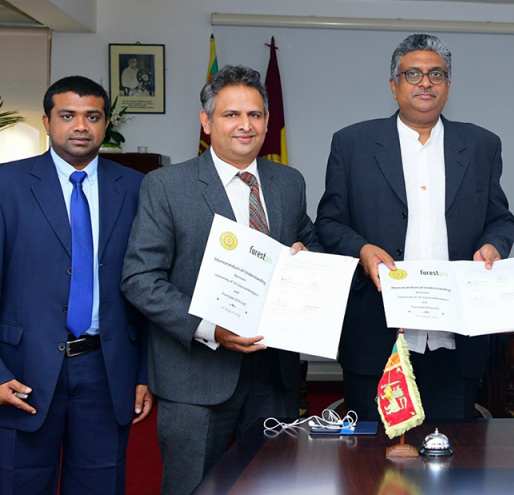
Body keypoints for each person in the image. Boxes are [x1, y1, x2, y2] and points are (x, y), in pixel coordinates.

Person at [121, 64, 320, 495]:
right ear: (207, 121)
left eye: (255, 114)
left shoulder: (289, 182)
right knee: (192, 488)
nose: (245, 125)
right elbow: (140, 278)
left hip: (274, 377)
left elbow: (311, 243)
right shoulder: (166, 185)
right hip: (196, 377)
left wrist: (307, 260)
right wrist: (211, 328)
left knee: (272, 487)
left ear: (267, 121)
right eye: (231, 114)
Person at [315, 34, 514, 421]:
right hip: (377, 337)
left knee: (452, 451)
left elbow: (500, 219)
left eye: (436, 74)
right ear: (394, 86)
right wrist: (361, 250)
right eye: (413, 74)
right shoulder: (352, 144)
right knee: (372, 455)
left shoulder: (481, 145)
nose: (426, 82)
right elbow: (329, 222)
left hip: (454, 338)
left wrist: (494, 244)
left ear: (448, 86)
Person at [0, 76, 151, 494]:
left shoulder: (137, 188)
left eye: (92, 117)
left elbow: (147, 285)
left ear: (106, 125)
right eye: (68, 116)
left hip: (107, 369)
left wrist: (144, 373)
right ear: (47, 121)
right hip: (22, 370)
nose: (81, 126)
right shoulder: (6, 185)